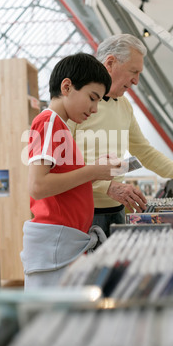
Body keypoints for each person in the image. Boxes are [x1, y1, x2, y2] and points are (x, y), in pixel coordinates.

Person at [68, 34, 173, 237]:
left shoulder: (124, 106)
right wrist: (105, 186)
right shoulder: (75, 105)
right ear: (110, 63)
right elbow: (62, 167)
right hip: (83, 213)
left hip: (117, 212)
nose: (136, 80)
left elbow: (145, 152)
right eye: (133, 71)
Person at [20, 52, 117, 289]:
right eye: (92, 98)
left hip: (64, 244)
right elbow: (38, 186)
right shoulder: (49, 121)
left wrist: (96, 172)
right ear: (67, 86)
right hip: (56, 245)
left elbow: (62, 184)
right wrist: (93, 171)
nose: (94, 109)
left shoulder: (60, 125)